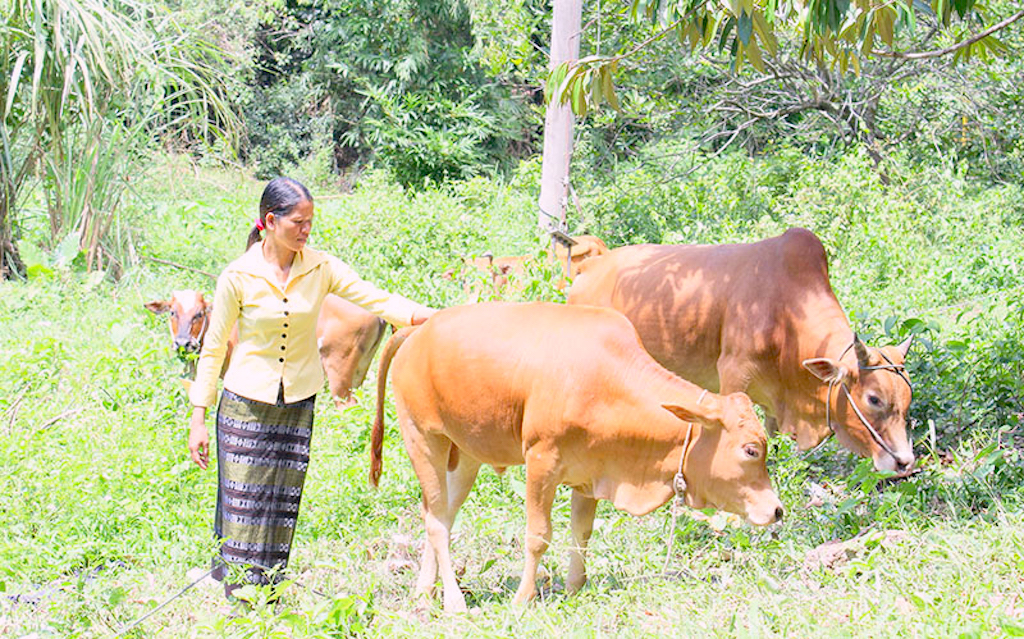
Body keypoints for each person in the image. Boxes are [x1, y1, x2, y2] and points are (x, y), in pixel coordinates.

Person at [186, 176, 434, 600]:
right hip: (245, 402)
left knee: (282, 498)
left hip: (298, 400)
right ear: (270, 221)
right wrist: (198, 417)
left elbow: (375, 298)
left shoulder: (321, 267)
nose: (306, 230)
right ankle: (240, 597)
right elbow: (212, 348)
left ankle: (270, 592)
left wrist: (430, 317)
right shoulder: (238, 275)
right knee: (244, 498)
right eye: (298, 222)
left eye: (310, 222)